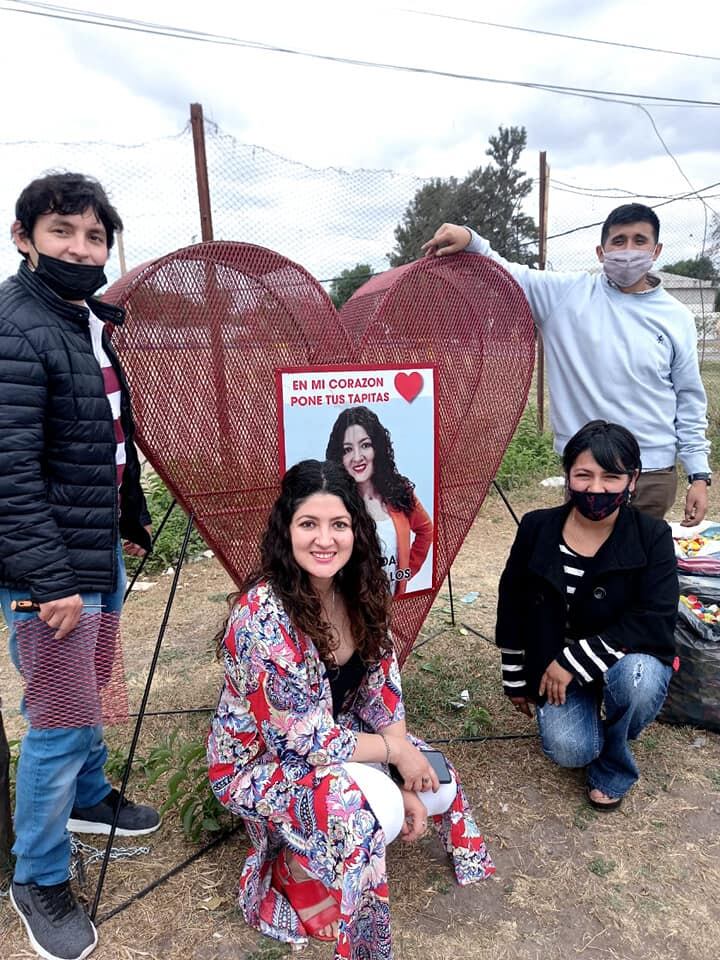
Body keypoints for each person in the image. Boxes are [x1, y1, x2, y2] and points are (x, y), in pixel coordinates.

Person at [207, 459, 494, 959]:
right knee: (368, 814)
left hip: (337, 735)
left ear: (356, 530)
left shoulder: (360, 588)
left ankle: (457, 856)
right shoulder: (260, 616)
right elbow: (300, 738)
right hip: (258, 764)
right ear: (286, 530)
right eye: (308, 524)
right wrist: (391, 758)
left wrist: (404, 764)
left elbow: (383, 686)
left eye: (338, 524)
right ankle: (309, 886)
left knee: (436, 779)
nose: (325, 540)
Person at [0, 172, 160, 960]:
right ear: (23, 236)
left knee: (92, 685)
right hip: (49, 568)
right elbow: (9, 473)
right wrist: (50, 580)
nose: (81, 248)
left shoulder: (82, 318)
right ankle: (36, 875)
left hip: (89, 544)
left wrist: (123, 523)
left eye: (95, 236)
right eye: (62, 231)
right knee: (60, 718)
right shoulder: (14, 328)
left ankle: (89, 802)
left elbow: (102, 436)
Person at [423, 204, 712, 525]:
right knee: (582, 567)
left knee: (637, 570)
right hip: (587, 471)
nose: (628, 250)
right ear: (601, 252)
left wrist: (699, 474)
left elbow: (688, 398)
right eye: (619, 241)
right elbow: (504, 271)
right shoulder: (566, 295)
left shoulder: (677, 318)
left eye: (639, 240)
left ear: (656, 250)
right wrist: (471, 239)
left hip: (651, 472)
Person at [495, 421, 678, 811]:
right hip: (556, 673)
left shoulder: (653, 535)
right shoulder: (536, 526)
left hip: (624, 659)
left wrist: (571, 660)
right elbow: (512, 600)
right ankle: (598, 721)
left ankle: (614, 766)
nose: (596, 489)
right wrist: (515, 678)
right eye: (584, 475)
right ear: (568, 475)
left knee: (638, 680)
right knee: (570, 750)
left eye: (611, 477)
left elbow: (654, 616)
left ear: (633, 479)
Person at [325, 405, 433, 595]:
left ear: (377, 448)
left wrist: (405, 572)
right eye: (348, 449)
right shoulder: (333, 500)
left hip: (386, 606)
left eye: (365, 445)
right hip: (345, 606)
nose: (357, 457)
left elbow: (426, 530)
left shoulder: (400, 492)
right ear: (339, 456)